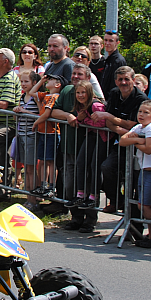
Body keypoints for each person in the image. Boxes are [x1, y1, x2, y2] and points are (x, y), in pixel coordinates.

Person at [97, 66, 149, 217]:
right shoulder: (114, 94)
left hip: (137, 145)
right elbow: (109, 122)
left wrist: (109, 117)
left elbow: (134, 124)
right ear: (115, 81)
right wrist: (119, 129)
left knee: (132, 181)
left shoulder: (141, 99)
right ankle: (115, 200)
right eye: (120, 79)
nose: (124, 82)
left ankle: (133, 217)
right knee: (106, 167)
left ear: (133, 80)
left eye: (127, 79)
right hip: (119, 141)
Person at [118, 100, 151, 248]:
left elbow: (149, 148)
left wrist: (135, 141)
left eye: (146, 112)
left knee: (146, 205)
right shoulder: (139, 127)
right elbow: (123, 141)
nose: (142, 115)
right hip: (144, 169)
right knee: (142, 204)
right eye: (140, 111)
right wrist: (139, 140)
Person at [63, 80, 108, 230]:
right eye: (78, 93)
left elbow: (102, 123)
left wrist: (85, 120)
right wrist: (81, 119)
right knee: (80, 164)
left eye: (83, 92)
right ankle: (80, 195)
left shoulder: (95, 105)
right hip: (91, 135)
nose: (80, 95)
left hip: (101, 137)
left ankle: (93, 197)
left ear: (90, 93)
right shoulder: (80, 107)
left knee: (94, 167)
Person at [27, 72, 65, 199]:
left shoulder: (55, 96)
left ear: (58, 84)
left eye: (52, 79)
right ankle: (42, 185)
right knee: (42, 160)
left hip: (52, 133)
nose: (48, 80)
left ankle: (51, 187)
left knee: (51, 161)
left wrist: (36, 123)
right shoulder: (46, 95)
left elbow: (46, 114)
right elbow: (32, 92)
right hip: (43, 133)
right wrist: (41, 81)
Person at [12, 71, 42, 211]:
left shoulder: (36, 97)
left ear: (34, 83)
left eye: (26, 82)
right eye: (22, 82)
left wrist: (24, 112)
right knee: (27, 168)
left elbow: (41, 114)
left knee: (30, 169)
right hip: (21, 134)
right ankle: (29, 197)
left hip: (32, 135)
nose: (23, 84)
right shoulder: (22, 96)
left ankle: (32, 199)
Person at [100, 30, 127, 100]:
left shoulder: (118, 61)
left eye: (111, 41)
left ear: (117, 43)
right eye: (105, 40)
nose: (107, 43)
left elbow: (118, 85)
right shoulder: (108, 60)